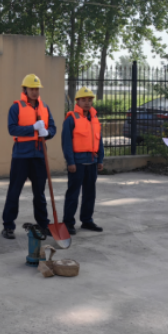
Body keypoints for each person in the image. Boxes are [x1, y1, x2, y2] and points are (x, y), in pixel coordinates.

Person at [1, 74, 57, 239]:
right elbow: (12, 129)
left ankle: (43, 224)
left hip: (39, 155)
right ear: (25, 90)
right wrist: (32, 128)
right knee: (14, 191)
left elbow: (53, 127)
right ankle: (8, 226)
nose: (34, 91)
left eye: (36, 89)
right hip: (21, 156)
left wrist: (47, 133)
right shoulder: (16, 107)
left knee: (39, 193)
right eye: (31, 89)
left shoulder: (45, 107)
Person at [61, 86, 105, 234]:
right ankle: (68, 222)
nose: (87, 102)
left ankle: (87, 220)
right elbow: (66, 143)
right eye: (83, 100)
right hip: (77, 163)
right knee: (73, 193)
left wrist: (100, 159)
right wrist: (70, 162)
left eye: (89, 100)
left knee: (90, 194)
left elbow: (99, 141)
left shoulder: (94, 119)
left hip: (92, 161)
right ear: (77, 101)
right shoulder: (71, 119)